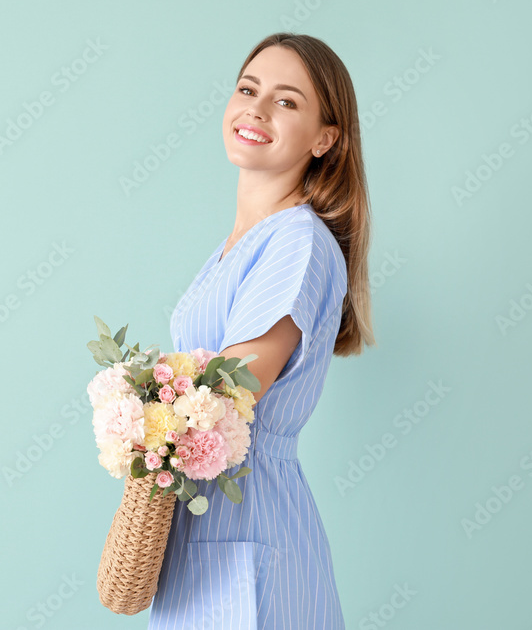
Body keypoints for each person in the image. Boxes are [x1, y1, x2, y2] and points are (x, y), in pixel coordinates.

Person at [146, 32, 376, 629]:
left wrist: (138, 422)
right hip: (208, 523)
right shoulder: (242, 245)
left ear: (326, 139)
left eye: (287, 101)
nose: (256, 108)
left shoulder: (297, 241)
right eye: (248, 89)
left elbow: (232, 391)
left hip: (246, 520)